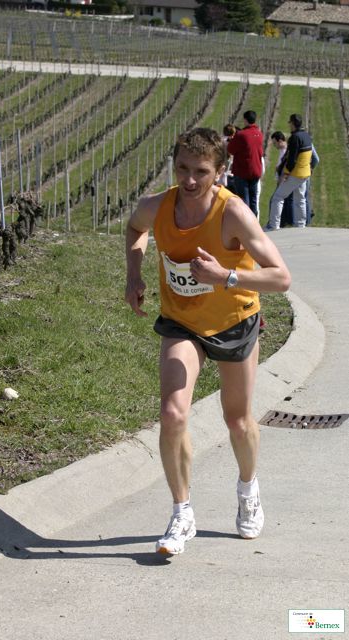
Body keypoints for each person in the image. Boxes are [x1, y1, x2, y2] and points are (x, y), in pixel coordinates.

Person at [125, 128, 291, 555]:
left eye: (201, 171)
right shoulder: (158, 206)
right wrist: (134, 274)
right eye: (182, 168)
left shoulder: (233, 213)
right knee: (172, 413)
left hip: (234, 322)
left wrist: (225, 276)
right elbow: (135, 228)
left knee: (238, 421)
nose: (189, 180)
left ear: (220, 171)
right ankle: (182, 514)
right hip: (182, 323)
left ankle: (248, 489)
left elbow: (281, 277)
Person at [264, 114, 312, 230]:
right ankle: (300, 225)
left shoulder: (295, 138)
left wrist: (285, 174)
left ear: (293, 123)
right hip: (305, 173)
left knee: (278, 197)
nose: (289, 125)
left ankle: (273, 225)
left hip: (295, 173)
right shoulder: (307, 136)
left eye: (290, 122)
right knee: (300, 199)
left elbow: (291, 159)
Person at [226, 110, 264, 216]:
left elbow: (230, 149)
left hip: (243, 170)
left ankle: (245, 223)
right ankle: (254, 222)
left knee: (244, 201)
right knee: (253, 200)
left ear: (245, 120)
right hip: (256, 170)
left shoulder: (241, 134)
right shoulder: (259, 134)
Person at [270, 131, 294, 228]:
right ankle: (281, 222)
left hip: (284, 181)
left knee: (275, 201)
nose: (274, 146)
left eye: (275, 143)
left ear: (280, 141)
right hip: (281, 180)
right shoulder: (282, 151)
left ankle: (276, 223)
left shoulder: (286, 151)